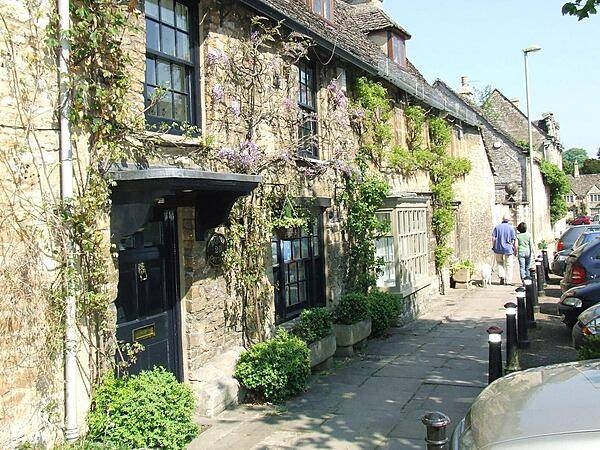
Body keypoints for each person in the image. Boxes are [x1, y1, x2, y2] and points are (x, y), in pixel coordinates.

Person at [492, 215, 516, 285]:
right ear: (509, 220)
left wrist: (493, 246)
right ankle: (508, 281)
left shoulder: (497, 227)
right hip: (508, 249)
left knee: (499, 262)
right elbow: (513, 240)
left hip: (498, 248)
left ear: (502, 219)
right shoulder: (511, 228)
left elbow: (493, 238)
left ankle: (501, 276)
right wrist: (514, 249)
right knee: (509, 265)